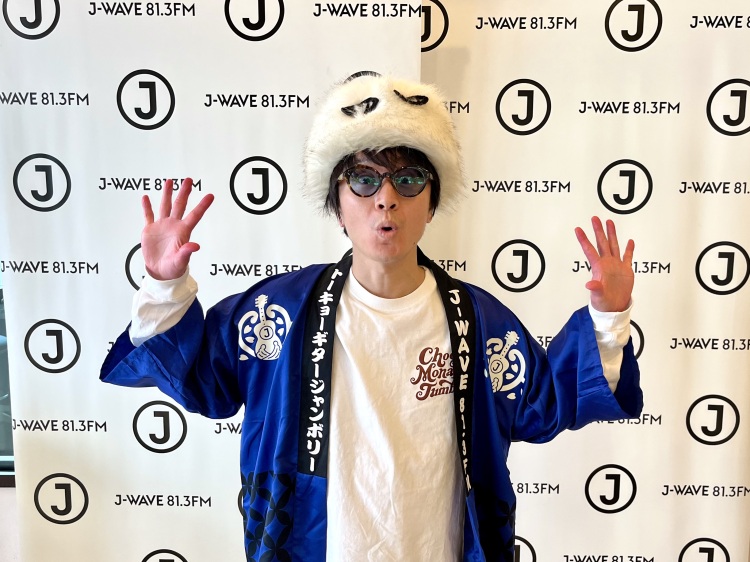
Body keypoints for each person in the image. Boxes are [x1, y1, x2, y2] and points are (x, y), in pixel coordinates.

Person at [101, 72, 642, 562]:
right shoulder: (279, 311)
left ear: (432, 203)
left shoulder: (480, 321)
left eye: (408, 180)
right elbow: (199, 377)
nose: (386, 199)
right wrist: (164, 285)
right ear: (337, 203)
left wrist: (608, 318)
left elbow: (548, 402)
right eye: (363, 179)